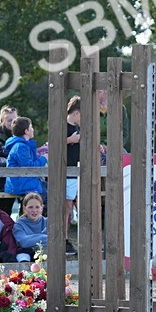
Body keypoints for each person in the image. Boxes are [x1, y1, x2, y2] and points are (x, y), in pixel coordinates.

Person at [4, 117, 49, 203]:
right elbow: (29, 167)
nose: (33, 129)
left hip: (25, 182)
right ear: (26, 131)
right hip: (22, 184)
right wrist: (44, 158)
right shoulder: (20, 147)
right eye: (31, 127)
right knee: (48, 198)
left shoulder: (23, 146)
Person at [64, 96, 82, 256]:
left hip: (79, 171)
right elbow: (51, 145)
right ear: (76, 113)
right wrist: (70, 140)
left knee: (81, 205)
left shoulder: (81, 128)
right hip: (67, 171)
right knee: (67, 207)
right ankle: (63, 239)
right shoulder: (63, 126)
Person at [12, 192, 48, 261]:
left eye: (37, 207)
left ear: (42, 208)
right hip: (26, 255)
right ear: (24, 208)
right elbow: (23, 242)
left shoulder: (48, 222)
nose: (34, 210)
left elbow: (56, 239)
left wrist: (31, 240)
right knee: (23, 254)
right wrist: (45, 236)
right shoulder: (19, 224)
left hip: (44, 255)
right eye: (30, 207)